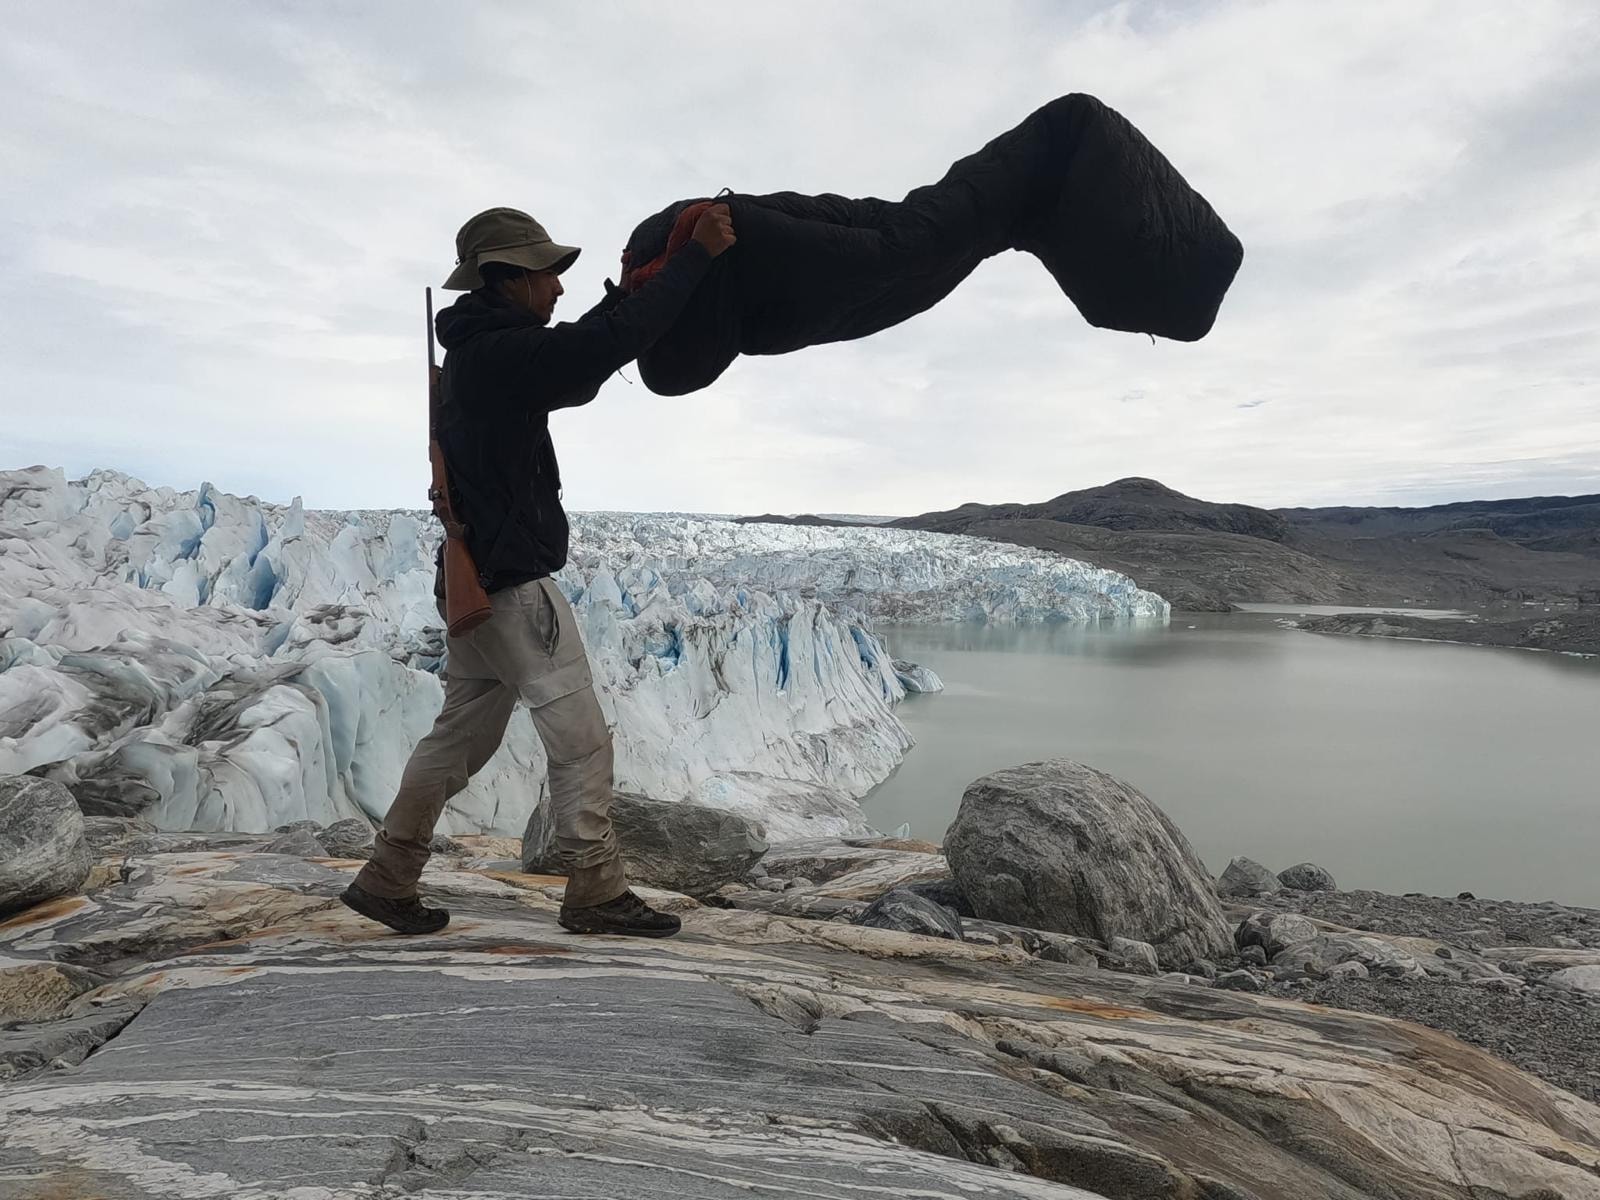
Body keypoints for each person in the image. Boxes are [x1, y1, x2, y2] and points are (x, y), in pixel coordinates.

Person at [340, 203, 736, 937]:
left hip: (474, 579)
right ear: (506, 278)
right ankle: (595, 888)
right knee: (581, 738)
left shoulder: (483, 351)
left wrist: (635, 288)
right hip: (514, 587)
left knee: (458, 737)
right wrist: (692, 264)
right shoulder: (495, 358)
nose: (558, 288)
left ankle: (386, 877)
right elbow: (589, 355)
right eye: (547, 273)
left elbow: (581, 346)